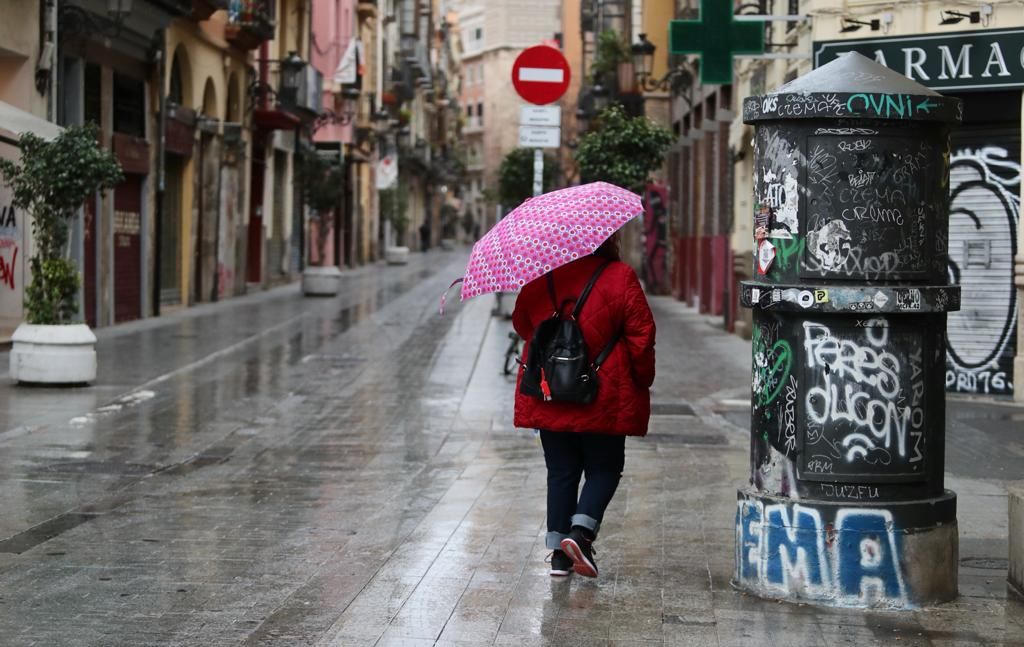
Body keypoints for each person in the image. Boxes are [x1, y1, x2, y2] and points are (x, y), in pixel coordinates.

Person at [512, 232, 656, 578]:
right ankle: (581, 533)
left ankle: (560, 557)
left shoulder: (541, 277)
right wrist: (642, 377)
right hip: (602, 395)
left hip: (550, 392)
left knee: (561, 472)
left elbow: (521, 323)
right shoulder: (620, 276)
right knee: (604, 468)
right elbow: (642, 335)